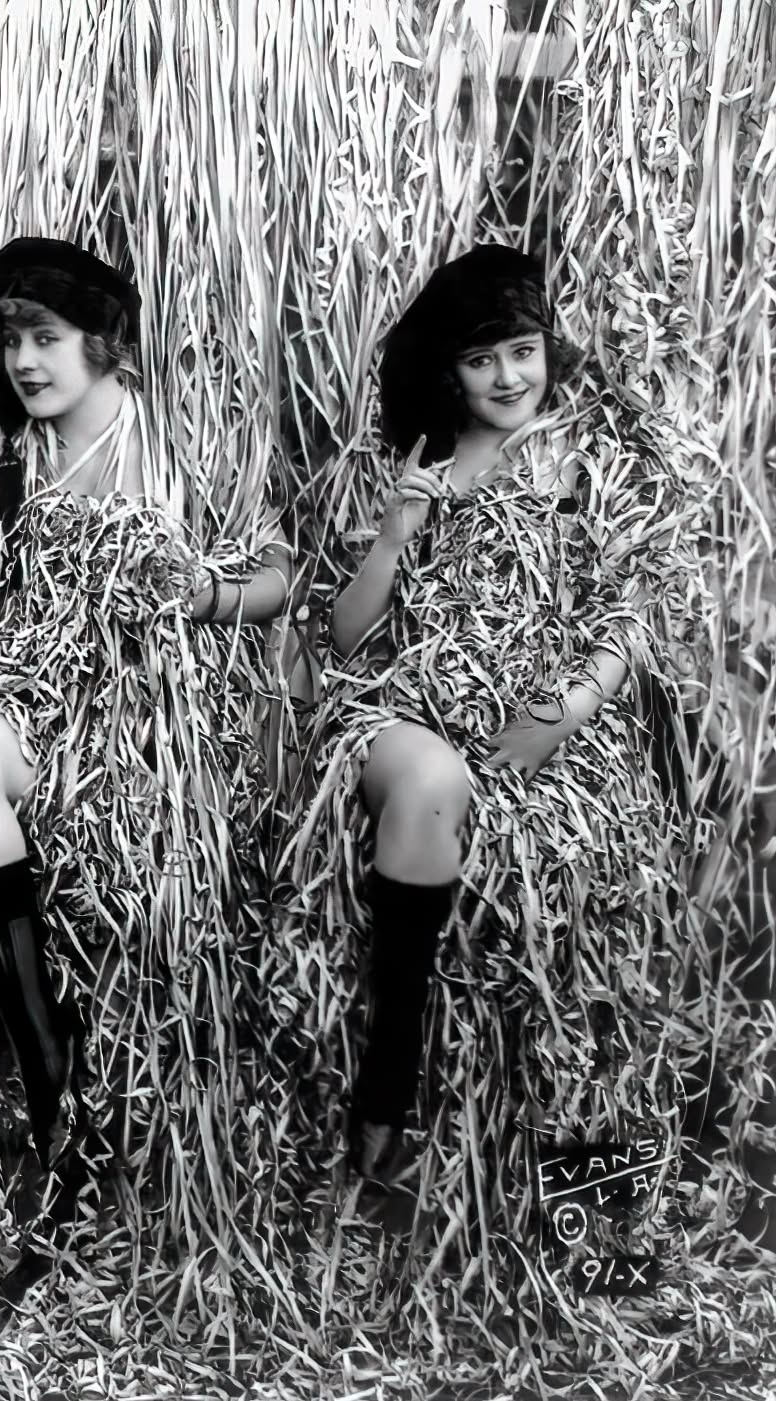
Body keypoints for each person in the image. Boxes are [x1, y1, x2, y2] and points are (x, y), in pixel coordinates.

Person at [0, 236, 292, 1287]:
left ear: (104, 341)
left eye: (45, 336)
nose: (24, 361)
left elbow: (278, 574)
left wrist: (203, 595)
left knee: (149, 895)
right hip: (38, 706)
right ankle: (54, 1093)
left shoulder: (183, 441)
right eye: (8, 341)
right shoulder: (5, 462)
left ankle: (147, 1138)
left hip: (154, 730)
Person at [286, 243, 705, 1192]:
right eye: (482, 360)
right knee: (432, 779)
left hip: (546, 719)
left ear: (548, 347)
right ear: (451, 371)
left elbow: (628, 613)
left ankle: (556, 1153)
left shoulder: (585, 458)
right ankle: (386, 1083)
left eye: (522, 350)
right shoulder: (417, 463)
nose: (509, 377)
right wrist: (394, 536)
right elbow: (347, 637)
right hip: (408, 710)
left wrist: (563, 713)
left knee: (561, 870)